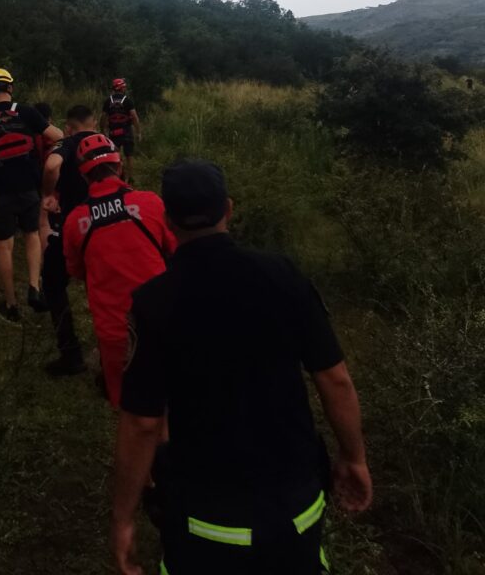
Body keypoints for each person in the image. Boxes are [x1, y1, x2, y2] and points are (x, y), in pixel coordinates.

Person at [112, 160, 372, 575]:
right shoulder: (283, 275)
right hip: (295, 506)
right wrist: (354, 457)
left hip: (205, 517)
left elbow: (143, 423)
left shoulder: (153, 301)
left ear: (167, 220)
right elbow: (334, 378)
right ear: (228, 210)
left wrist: (123, 518)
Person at [63, 134, 177, 408]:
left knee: (130, 408)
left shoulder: (75, 221)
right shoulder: (151, 203)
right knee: (173, 400)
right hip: (163, 319)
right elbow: (175, 250)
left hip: (114, 331)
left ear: (83, 176)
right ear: (120, 167)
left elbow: (77, 271)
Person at [0, 68, 63, 322]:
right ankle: (34, 287)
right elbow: (58, 136)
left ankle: (11, 304)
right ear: (10, 88)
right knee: (32, 235)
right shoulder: (27, 111)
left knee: (5, 245)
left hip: (1, 190)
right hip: (30, 186)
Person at [39, 104, 101, 375]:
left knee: (53, 283)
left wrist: (48, 194)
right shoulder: (106, 143)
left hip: (74, 225)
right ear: (94, 122)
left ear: (69, 126)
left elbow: (52, 164)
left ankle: (70, 353)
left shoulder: (68, 142)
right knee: (100, 285)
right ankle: (112, 351)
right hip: (104, 222)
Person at [101, 78, 141, 183]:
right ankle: (131, 178)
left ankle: (119, 177)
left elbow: (103, 118)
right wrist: (138, 132)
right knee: (129, 156)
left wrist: (103, 131)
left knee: (116, 156)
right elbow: (134, 117)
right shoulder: (127, 100)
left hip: (113, 132)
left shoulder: (108, 101)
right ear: (122, 88)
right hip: (127, 131)